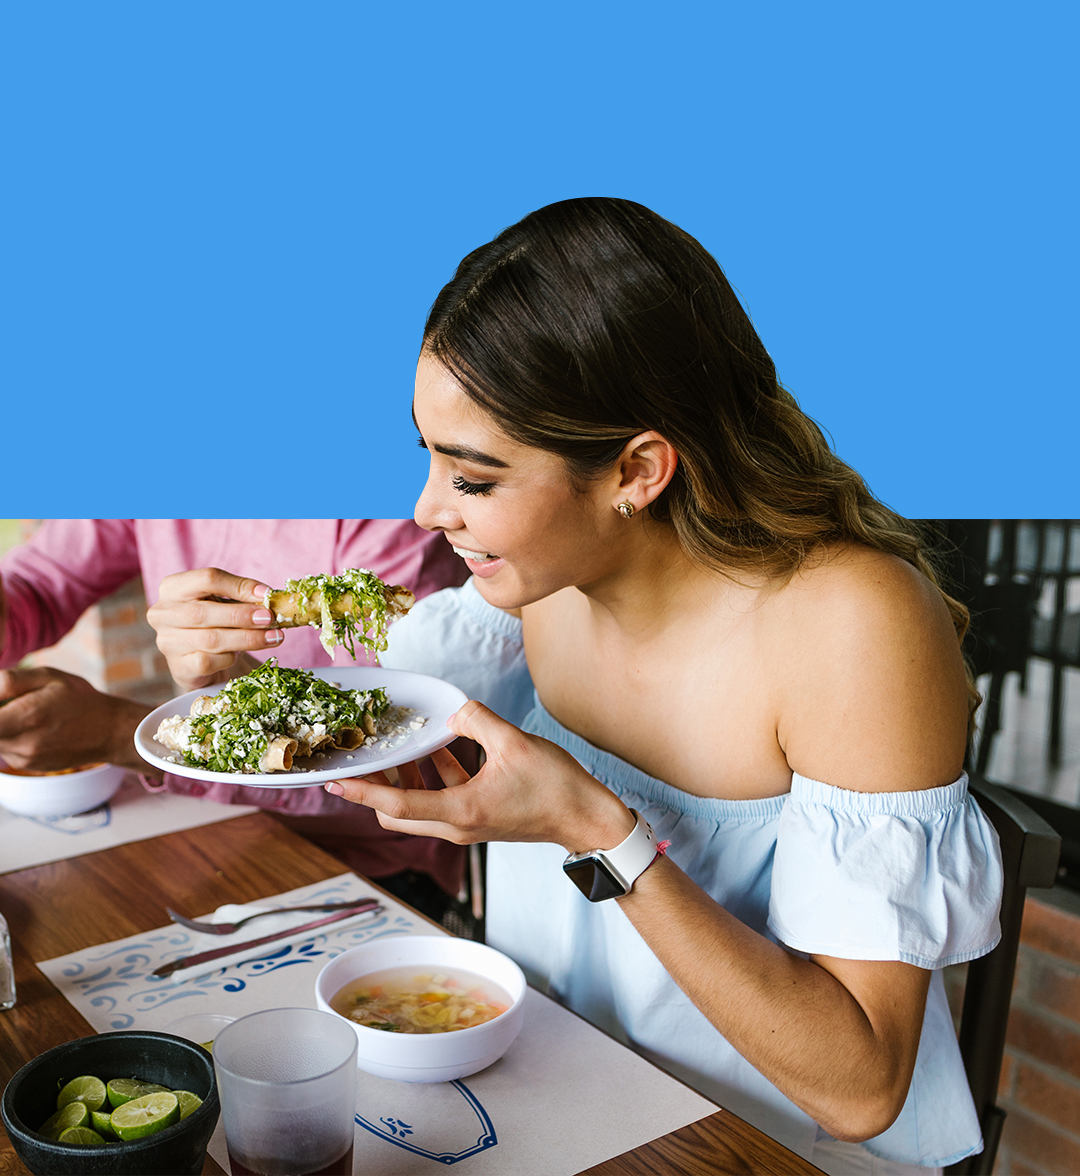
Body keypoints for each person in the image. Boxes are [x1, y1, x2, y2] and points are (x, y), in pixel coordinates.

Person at [148, 203, 1002, 1175]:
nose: (428, 511)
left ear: (636, 469)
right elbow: (373, 740)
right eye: (428, 455)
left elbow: (860, 1087)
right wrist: (236, 692)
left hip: (754, 1145)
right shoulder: (540, 584)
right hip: (558, 1091)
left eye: (473, 478)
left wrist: (601, 832)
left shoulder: (853, 624)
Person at [0, 519, 466, 911]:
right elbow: (37, 585)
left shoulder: (394, 516)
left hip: (372, 867)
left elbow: (411, 767)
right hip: (212, 829)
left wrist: (119, 734)